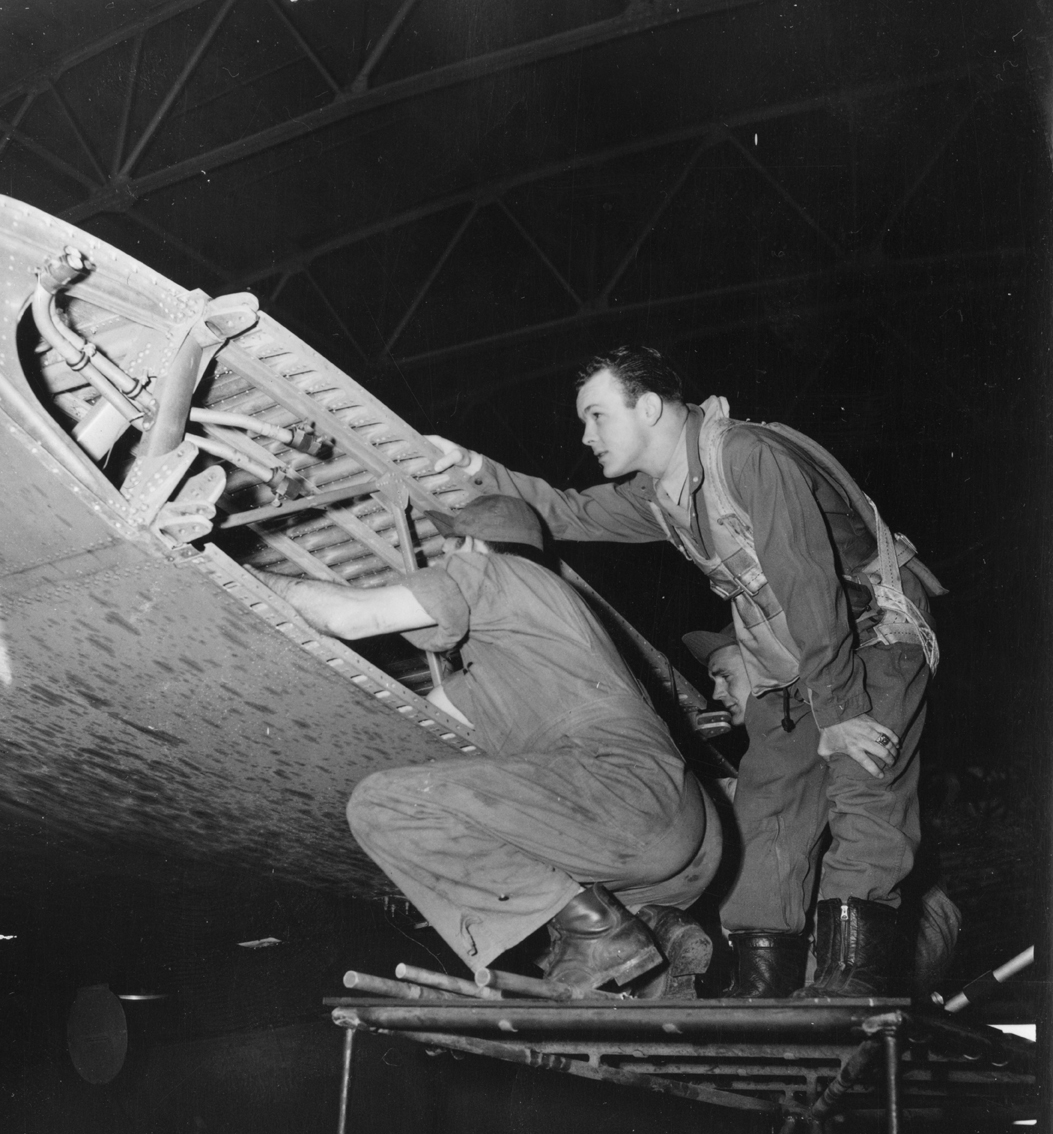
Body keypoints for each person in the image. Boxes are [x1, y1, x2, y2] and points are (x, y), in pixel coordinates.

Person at [427, 345, 943, 998]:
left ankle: (850, 983)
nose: (585, 437)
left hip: (870, 639)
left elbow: (810, 585)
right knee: (767, 813)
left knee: (863, 784)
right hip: (794, 665)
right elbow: (567, 513)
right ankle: (762, 987)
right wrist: (476, 470)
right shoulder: (663, 494)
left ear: (647, 407)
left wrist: (840, 716)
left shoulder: (749, 459)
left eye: (596, 416)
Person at [251, 494, 722, 997]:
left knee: (380, 805)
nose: (445, 559)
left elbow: (349, 618)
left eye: (450, 545)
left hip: (620, 796)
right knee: (529, 885)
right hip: (681, 838)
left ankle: (600, 934)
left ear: (472, 544)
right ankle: (656, 933)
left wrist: (261, 582)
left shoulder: (498, 573)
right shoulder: (517, 653)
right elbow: (426, 723)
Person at [684, 626, 960, 998]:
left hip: (910, 923)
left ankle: (841, 977)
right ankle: (769, 984)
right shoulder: (783, 732)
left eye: (724, 675)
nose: (717, 693)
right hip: (853, 925)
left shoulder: (842, 703)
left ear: (759, 655)